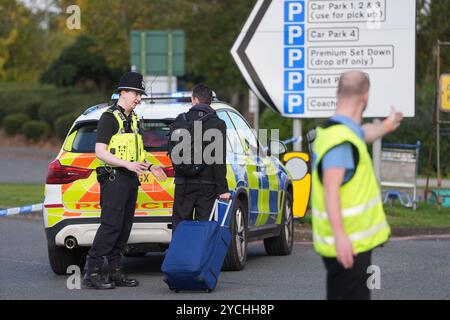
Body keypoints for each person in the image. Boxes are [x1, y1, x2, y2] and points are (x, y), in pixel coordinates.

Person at [311, 70, 403, 300]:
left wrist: (388, 125)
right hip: (348, 246)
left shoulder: (340, 131)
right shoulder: (341, 142)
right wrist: (341, 237)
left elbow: (366, 133)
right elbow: (331, 188)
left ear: (337, 93)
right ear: (365, 97)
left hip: (351, 244)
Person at [83, 71, 167, 289]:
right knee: (110, 227)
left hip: (131, 179)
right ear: (123, 92)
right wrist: (126, 164)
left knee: (124, 227)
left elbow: (138, 153)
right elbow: (100, 151)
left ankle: (115, 271)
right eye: (136, 93)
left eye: (140, 94)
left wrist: (150, 165)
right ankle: (92, 272)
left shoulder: (135, 119)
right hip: (114, 179)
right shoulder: (109, 117)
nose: (139, 98)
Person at [170, 84, 230, 231]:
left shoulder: (180, 120)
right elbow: (218, 159)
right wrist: (223, 189)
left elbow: (172, 151)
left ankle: (180, 254)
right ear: (210, 102)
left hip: (183, 183)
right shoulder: (217, 123)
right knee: (205, 227)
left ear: (194, 99)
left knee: (180, 227)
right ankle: (202, 254)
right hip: (207, 185)